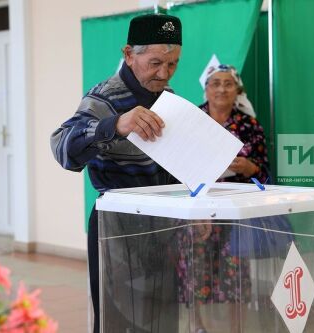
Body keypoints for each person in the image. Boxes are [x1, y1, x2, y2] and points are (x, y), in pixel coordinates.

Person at [50, 13, 185, 333]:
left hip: (164, 227)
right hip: (119, 227)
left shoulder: (170, 98)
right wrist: (114, 125)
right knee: (121, 320)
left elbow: (173, 165)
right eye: (155, 63)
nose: (164, 73)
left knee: (165, 318)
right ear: (129, 54)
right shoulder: (104, 98)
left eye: (173, 64)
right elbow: (62, 149)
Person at [176, 64, 269, 333]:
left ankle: (236, 327)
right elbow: (175, 163)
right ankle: (198, 327)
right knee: (195, 267)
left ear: (238, 90)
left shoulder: (249, 125)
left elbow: (263, 170)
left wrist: (248, 167)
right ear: (205, 88)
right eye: (215, 83)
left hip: (234, 212)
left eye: (228, 83)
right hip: (197, 208)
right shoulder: (191, 121)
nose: (221, 89)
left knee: (236, 272)